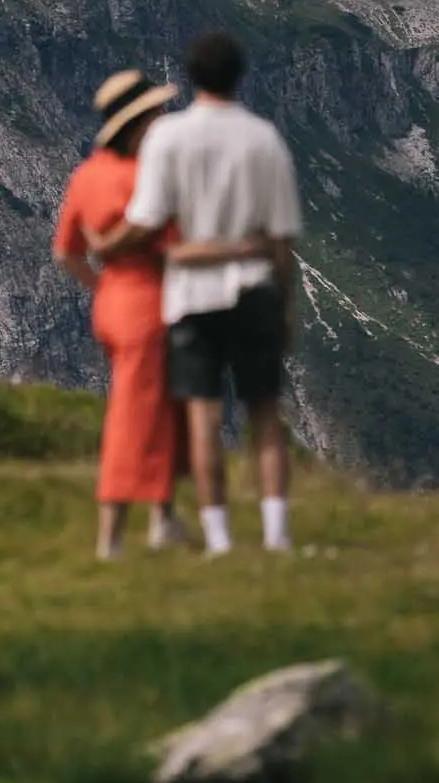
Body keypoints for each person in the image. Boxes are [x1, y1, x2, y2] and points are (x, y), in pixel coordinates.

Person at [89, 31, 300, 558]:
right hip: (252, 289)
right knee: (265, 414)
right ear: (239, 75)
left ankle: (218, 539)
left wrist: (108, 246)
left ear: (192, 77)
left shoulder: (169, 139)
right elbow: (281, 239)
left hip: (190, 296)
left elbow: (146, 218)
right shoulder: (264, 138)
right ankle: (277, 536)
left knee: (203, 417)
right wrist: (285, 308)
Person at [52, 69, 188, 561]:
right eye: (154, 113)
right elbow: (177, 244)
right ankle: (112, 536)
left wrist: (101, 286)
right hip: (149, 306)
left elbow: (66, 252)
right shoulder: (145, 178)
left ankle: (163, 519)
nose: (162, 119)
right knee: (135, 415)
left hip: (113, 302)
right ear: (137, 123)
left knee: (160, 409)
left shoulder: (85, 175)